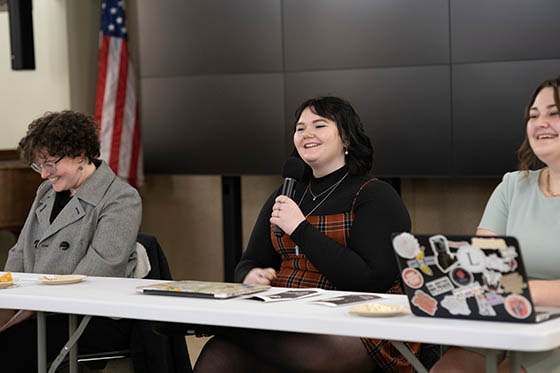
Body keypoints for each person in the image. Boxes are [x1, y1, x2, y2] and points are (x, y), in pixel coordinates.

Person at [194, 96, 420, 372]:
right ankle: (224, 327)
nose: (307, 134)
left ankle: (213, 324)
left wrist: (300, 229)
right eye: (300, 128)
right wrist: (250, 276)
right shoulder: (285, 194)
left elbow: (369, 280)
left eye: (319, 125)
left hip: (354, 324)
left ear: (346, 138)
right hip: (285, 316)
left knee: (312, 354)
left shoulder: (375, 195)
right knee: (218, 352)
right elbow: (249, 262)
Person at [431, 77, 560, 373]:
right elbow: (483, 265)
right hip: (503, 319)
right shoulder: (513, 186)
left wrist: (525, 290)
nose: (541, 122)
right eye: (534, 115)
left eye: (554, 113)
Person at [0, 111, 142, 371]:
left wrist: (29, 308)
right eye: (38, 165)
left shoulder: (121, 198)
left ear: (80, 154)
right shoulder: (45, 191)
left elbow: (99, 271)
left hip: (91, 318)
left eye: (51, 163)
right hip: (37, 309)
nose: (44, 174)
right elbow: (20, 252)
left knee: (11, 346)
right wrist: (7, 300)